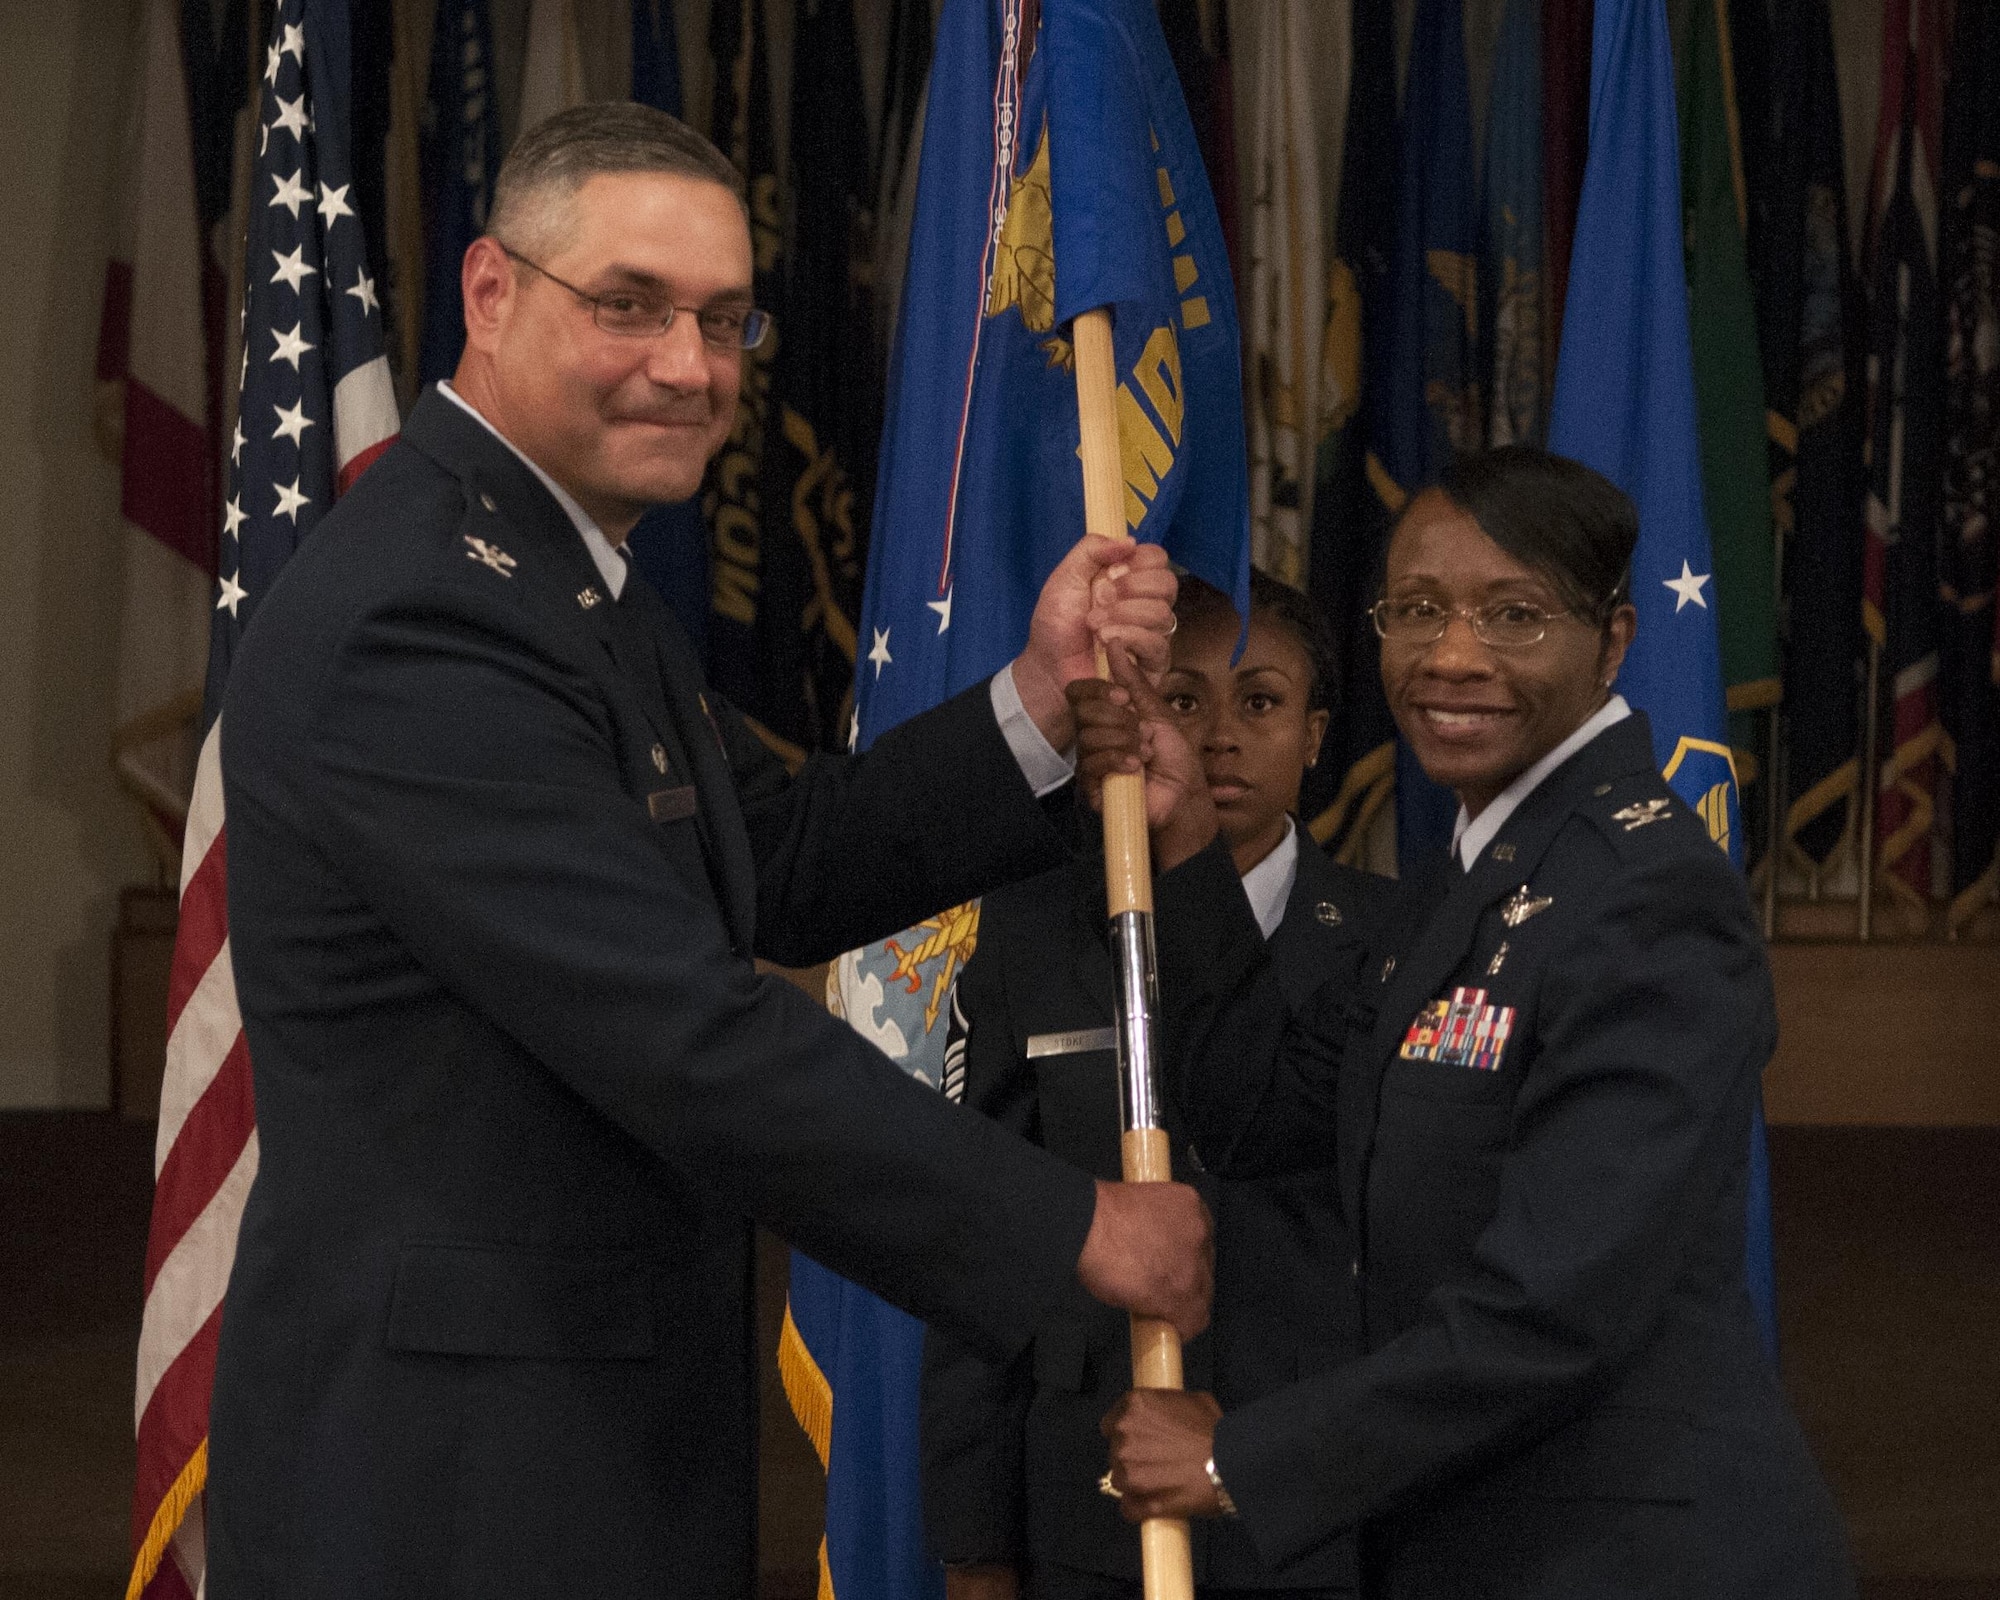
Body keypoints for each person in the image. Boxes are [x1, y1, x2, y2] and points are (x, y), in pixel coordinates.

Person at [206, 103, 1212, 1599]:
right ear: (490, 293)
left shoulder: (559, 573)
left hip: (575, 1428)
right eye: (627, 305)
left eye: (723, 319)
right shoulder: (422, 615)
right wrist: (1070, 1227)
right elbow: (681, 1030)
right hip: (460, 1481)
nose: (688, 364)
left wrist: (1040, 702)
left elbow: (782, 855)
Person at [1094, 448, 1856, 1598]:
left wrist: (1232, 1452)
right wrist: (1190, 835)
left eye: (1512, 615)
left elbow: (1551, 1312)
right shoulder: (1463, 877)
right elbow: (1254, 1113)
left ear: (1610, 640)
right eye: (1417, 611)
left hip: (1629, 1563)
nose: (1452, 655)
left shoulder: (1643, 894)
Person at [922, 572, 1390, 1600]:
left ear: (1317, 733)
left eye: (1259, 701)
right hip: (1085, 1502)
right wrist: (975, 1546)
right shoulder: (1030, 937)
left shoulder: (1402, 944)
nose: (1219, 735)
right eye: (1182, 699)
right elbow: (977, 1251)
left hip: (1320, 1519)